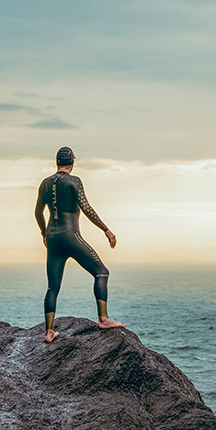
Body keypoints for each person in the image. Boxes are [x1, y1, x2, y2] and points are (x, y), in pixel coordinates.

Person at [35, 146, 127, 343]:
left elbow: (37, 212)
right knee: (101, 272)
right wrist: (106, 230)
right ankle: (103, 319)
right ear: (73, 163)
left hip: (52, 238)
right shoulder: (73, 181)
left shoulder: (44, 183)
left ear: (56, 162)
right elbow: (86, 208)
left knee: (52, 287)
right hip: (71, 236)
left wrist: (44, 233)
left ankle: (49, 332)